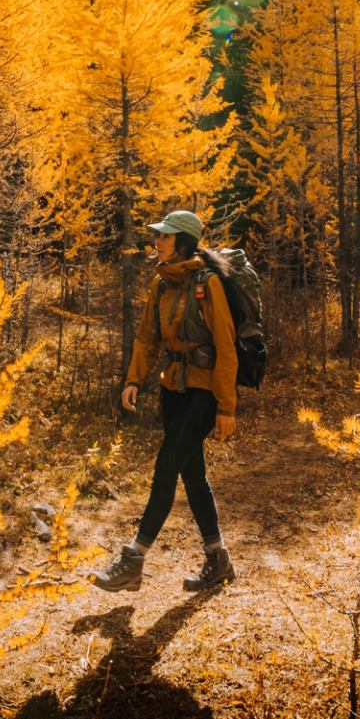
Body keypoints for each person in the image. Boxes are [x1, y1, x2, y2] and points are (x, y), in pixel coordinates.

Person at [91, 208, 237, 593]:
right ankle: (218, 557)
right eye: (158, 236)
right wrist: (134, 379)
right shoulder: (162, 284)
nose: (156, 242)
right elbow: (146, 338)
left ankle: (134, 557)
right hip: (173, 387)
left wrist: (226, 406)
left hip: (204, 390)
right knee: (190, 473)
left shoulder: (209, 284)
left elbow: (226, 345)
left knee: (166, 465)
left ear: (183, 242)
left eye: (164, 237)